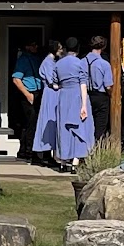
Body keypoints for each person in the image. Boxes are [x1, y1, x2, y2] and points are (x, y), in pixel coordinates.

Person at [52, 37, 95, 171]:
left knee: (64, 129)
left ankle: (63, 162)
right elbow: (83, 84)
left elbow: (54, 84)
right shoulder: (80, 63)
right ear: (77, 48)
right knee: (79, 128)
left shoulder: (58, 63)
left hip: (63, 97)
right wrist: (83, 105)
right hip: (77, 96)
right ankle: (75, 162)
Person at [31, 39, 65, 167]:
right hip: (51, 94)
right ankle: (41, 153)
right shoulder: (48, 62)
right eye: (60, 48)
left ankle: (48, 153)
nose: (61, 51)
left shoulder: (52, 61)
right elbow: (52, 81)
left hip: (52, 94)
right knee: (47, 121)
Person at [10, 38, 43, 163]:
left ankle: (25, 151)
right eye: (33, 44)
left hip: (37, 92)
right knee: (30, 124)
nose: (36, 47)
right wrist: (28, 94)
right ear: (27, 46)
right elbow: (16, 79)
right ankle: (29, 152)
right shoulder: (23, 60)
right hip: (29, 93)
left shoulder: (37, 58)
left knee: (30, 124)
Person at [84, 35, 115, 142]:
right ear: (103, 47)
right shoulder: (104, 64)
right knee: (100, 126)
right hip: (101, 96)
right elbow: (108, 85)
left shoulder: (82, 62)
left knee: (86, 124)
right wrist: (111, 94)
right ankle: (96, 149)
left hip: (86, 95)